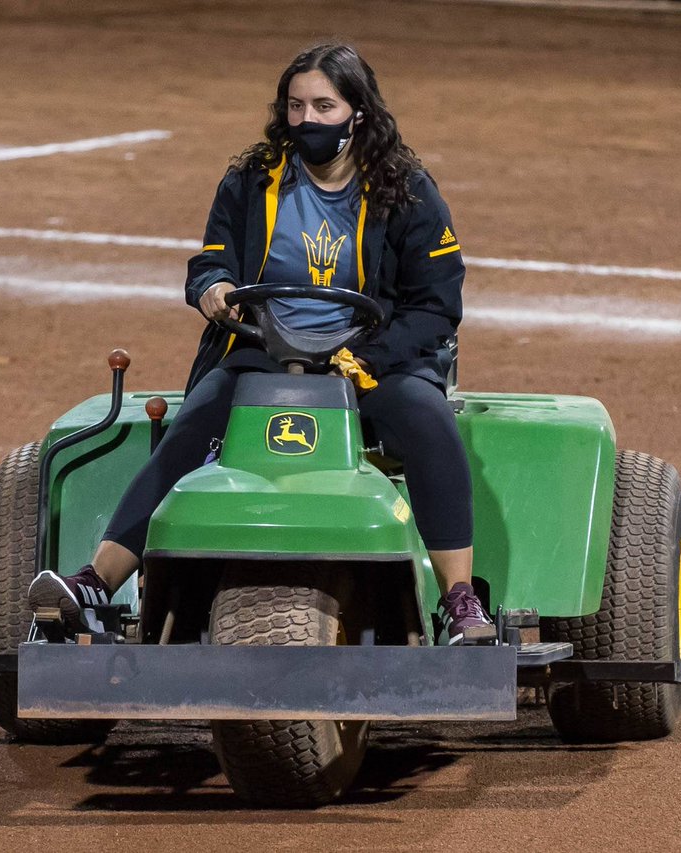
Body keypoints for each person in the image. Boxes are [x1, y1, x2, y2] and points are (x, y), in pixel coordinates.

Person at [29, 42, 493, 644]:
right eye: (296, 106)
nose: (307, 119)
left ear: (359, 112)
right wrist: (214, 288)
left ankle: (458, 600)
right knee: (196, 422)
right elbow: (211, 261)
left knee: (428, 422)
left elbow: (436, 306)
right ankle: (97, 581)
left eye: (324, 106)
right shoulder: (252, 181)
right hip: (263, 350)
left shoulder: (408, 191)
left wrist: (363, 358)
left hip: (373, 360)